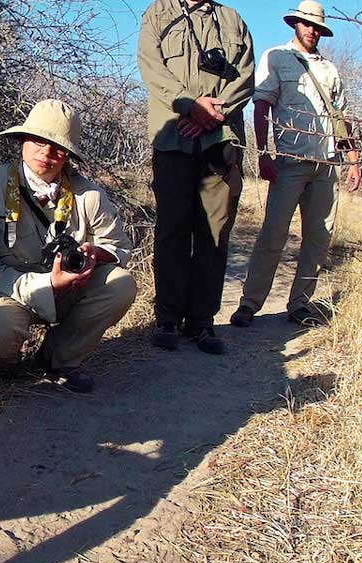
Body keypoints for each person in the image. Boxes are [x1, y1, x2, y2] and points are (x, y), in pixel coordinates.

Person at [0, 99, 136, 393]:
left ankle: (59, 359)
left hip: (71, 289)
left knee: (121, 284)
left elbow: (120, 247)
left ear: (68, 155)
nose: (47, 153)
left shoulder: (90, 194)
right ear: (22, 140)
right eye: (38, 141)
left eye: (58, 147)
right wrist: (48, 284)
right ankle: (8, 365)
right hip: (10, 290)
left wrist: (97, 254)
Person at [230, 1, 361, 329]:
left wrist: (353, 161)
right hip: (289, 162)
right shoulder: (277, 58)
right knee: (273, 234)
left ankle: (300, 303)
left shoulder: (330, 69)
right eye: (307, 24)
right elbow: (261, 108)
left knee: (318, 237)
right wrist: (263, 154)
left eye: (317, 26)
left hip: (326, 164)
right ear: (295, 25)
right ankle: (249, 303)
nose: (312, 30)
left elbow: (342, 118)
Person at [138, 0, 255, 355]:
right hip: (174, 138)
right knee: (172, 229)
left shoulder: (233, 20)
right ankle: (168, 319)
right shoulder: (157, 13)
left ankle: (202, 322)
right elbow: (151, 66)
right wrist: (189, 104)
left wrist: (213, 113)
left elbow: (246, 77)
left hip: (221, 141)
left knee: (215, 232)